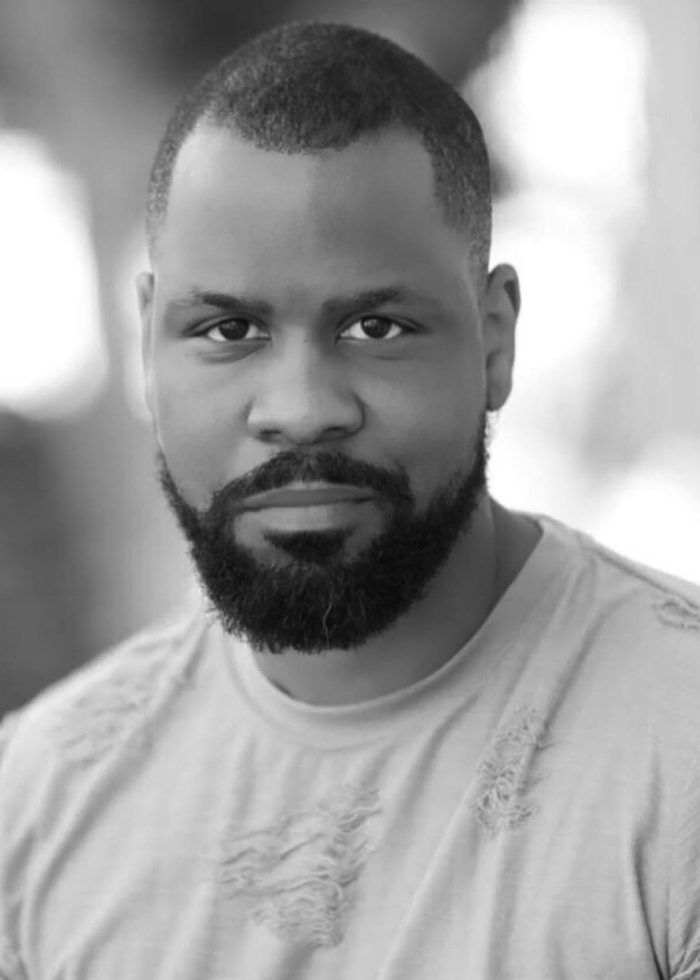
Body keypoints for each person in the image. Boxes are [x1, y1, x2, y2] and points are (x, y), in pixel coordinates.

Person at [1, 20, 699, 980]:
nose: (301, 411)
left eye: (377, 326)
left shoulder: (680, 745)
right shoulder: (41, 802)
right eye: (229, 328)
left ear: (494, 341)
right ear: (148, 348)